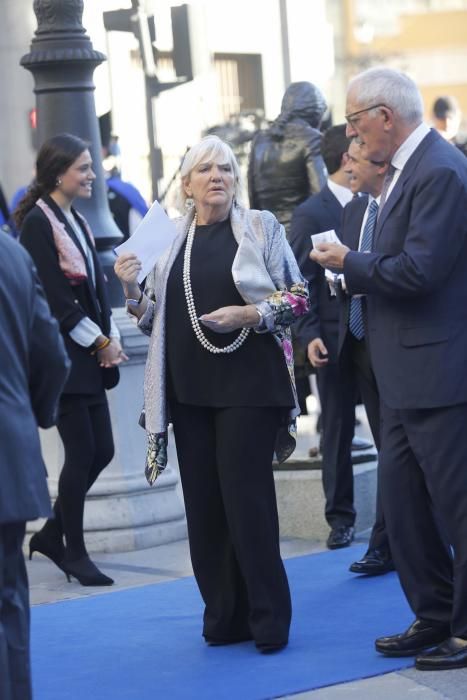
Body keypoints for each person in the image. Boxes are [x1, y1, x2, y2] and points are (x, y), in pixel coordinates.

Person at [114, 135, 309, 653]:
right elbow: (154, 317)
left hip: (249, 385)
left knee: (247, 505)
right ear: (187, 184)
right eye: (205, 170)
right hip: (189, 390)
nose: (217, 176)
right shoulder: (169, 239)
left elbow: (299, 296)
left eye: (224, 167)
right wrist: (131, 289)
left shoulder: (260, 227)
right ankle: (224, 616)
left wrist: (251, 314)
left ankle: (269, 620)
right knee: (204, 508)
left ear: (235, 178)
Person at [311, 67, 467, 670]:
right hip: (403, 377)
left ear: (383, 115)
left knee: (456, 506)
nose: (351, 136)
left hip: (440, 376)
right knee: (402, 511)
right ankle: (434, 614)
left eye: (353, 121)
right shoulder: (409, 171)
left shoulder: (440, 170)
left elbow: (421, 271)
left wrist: (351, 261)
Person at [15, 133, 128, 587]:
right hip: (65, 360)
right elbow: (57, 301)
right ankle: (73, 552)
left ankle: (51, 533)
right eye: (83, 167)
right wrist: (100, 342)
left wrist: (110, 336)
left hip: (88, 356)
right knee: (81, 452)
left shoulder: (74, 218)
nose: (92, 174)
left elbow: (97, 291)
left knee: (102, 449)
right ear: (58, 172)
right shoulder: (38, 225)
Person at [290, 126, 391, 565]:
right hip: (331, 340)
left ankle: (389, 528)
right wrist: (308, 333)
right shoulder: (313, 212)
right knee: (334, 428)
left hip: (374, 338)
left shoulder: (374, 205)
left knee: (389, 432)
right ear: (347, 160)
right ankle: (341, 519)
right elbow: (300, 282)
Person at [0, 233, 69, 700]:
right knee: (6, 601)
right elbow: (52, 357)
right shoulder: (10, 252)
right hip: (6, 451)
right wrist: (32, 415)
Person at [331, 139, 393, 575]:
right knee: (389, 446)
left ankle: (385, 543)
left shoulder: (398, 208)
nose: (348, 164)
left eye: (356, 155)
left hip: (397, 345)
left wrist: (355, 265)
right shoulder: (352, 211)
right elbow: (339, 276)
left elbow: (407, 272)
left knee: (400, 449)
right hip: (356, 345)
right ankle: (388, 543)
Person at [247, 81, 327, 233]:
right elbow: (321, 197)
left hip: (266, 235)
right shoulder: (312, 139)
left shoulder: (259, 141)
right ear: (315, 111)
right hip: (302, 237)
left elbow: (253, 198)